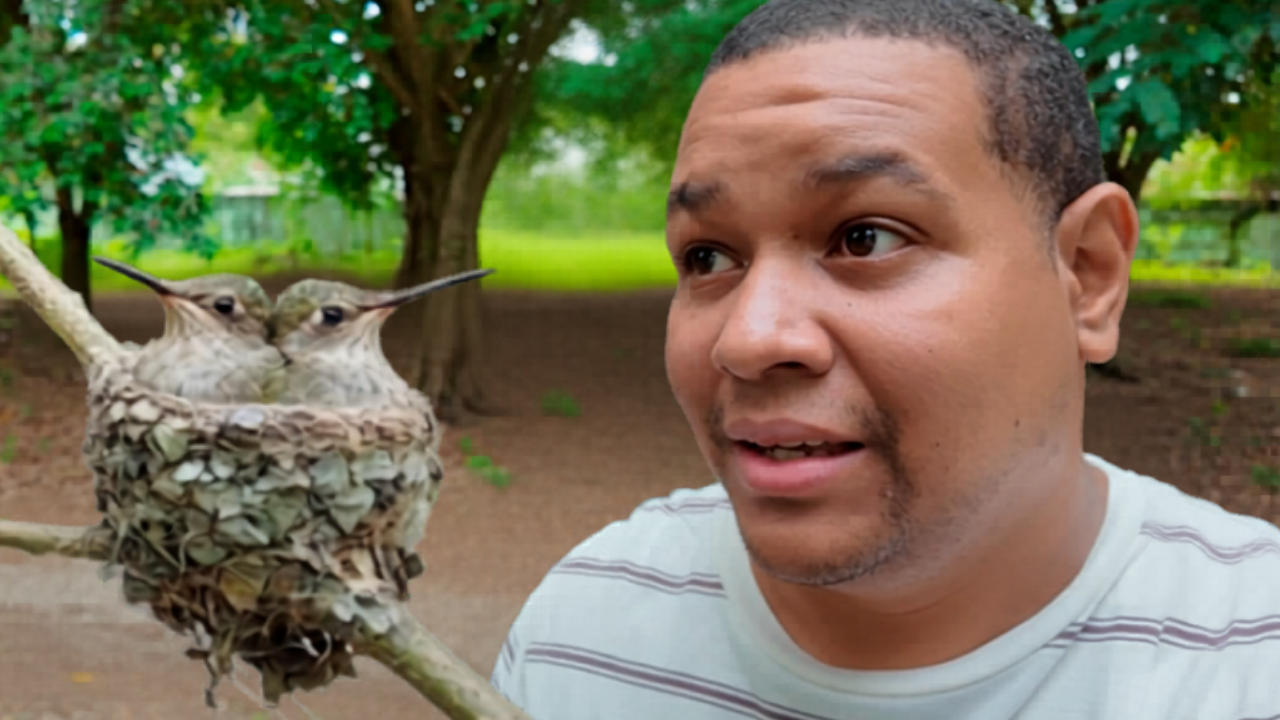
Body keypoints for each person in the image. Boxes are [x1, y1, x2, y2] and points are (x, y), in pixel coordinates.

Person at [489, 0, 1280, 717]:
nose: (749, 339)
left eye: (865, 237)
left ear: (1089, 276)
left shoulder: (1250, 660)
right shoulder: (584, 633)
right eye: (707, 257)